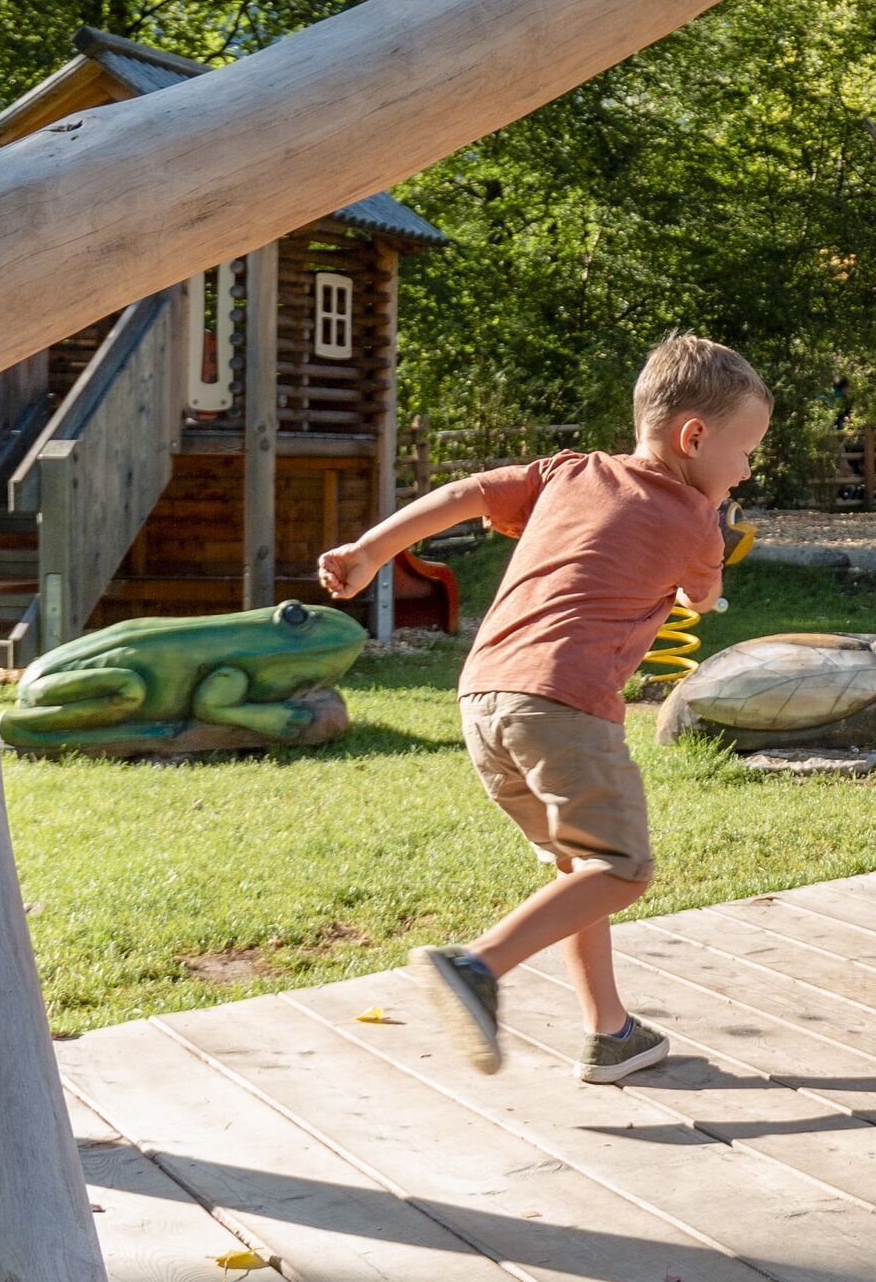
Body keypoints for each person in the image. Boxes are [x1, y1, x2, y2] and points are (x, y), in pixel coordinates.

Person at [316, 334, 770, 1085]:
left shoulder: (570, 471)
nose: (747, 468)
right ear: (694, 437)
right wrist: (714, 543)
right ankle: (476, 965)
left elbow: (466, 494)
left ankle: (611, 1032)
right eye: (746, 451)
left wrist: (370, 548)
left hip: (484, 698)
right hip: (565, 705)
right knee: (621, 867)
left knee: (576, 865)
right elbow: (700, 595)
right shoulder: (696, 518)